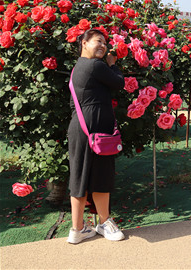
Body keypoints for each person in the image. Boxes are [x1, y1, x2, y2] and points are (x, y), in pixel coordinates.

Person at [67, 28, 126, 244]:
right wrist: (113, 63)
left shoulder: (77, 68)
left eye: (105, 42)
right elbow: (119, 83)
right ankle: (104, 222)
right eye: (97, 41)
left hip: (81, 129)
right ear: (84, 42)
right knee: (101, 176)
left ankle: (77, 229)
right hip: (94, 130)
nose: (103, 45)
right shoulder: (95, 65)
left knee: (80, 176)